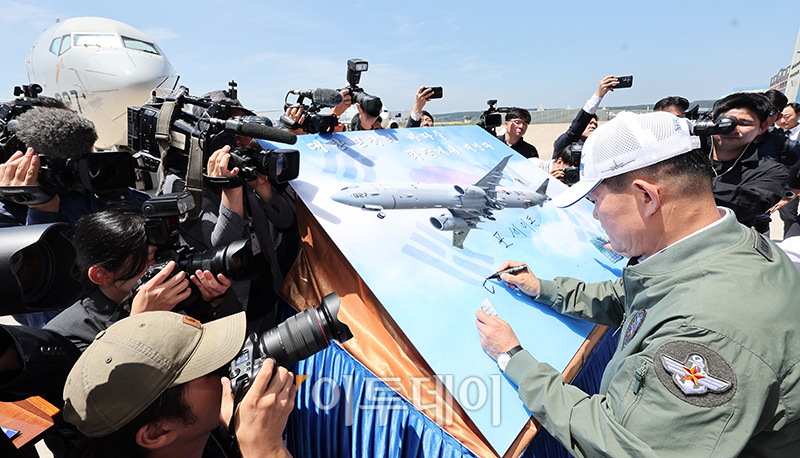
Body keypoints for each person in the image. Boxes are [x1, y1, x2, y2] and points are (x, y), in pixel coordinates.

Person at [476, 111, 800, 457]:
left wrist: (514, 360)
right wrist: (543, 287)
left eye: (596, 201)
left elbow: (620, 445)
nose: (595, 215)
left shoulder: (704, 331)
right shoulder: (732, 244)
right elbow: (643, 300)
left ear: (647, 197)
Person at [62, 311, 295, 458]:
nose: (230, 363)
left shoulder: (210, 438)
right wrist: (265, 450)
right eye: (210, 368)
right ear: (158, 432)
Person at [0, 107, 150, 327]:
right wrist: (41, 210)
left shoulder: (110, 193)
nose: (83, 174)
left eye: (87, 159)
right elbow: (46, 319)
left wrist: (113, 190)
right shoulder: (10, 216)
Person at [43, 208, 231, 351]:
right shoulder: (67, 334)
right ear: (102, 275)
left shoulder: (176, 289)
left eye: (162, 254)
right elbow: (114, 390)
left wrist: (213, 302)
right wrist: (139, 323)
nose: (165, 264)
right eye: (150, 259)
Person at [707, 92, 788, 232]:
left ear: (762, 128)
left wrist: (689, 186)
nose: (732, 129)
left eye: (744, 124)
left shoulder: (773, 171)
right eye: (726, 121)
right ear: (713, 120)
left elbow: (748, 204)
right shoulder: (684, 154)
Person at [552, 75, 618, 154]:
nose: (593, 126)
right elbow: (575, 130)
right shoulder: (565, 143)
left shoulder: (597, 148)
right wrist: (598, 95)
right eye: (589, 123)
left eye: (595, 124)